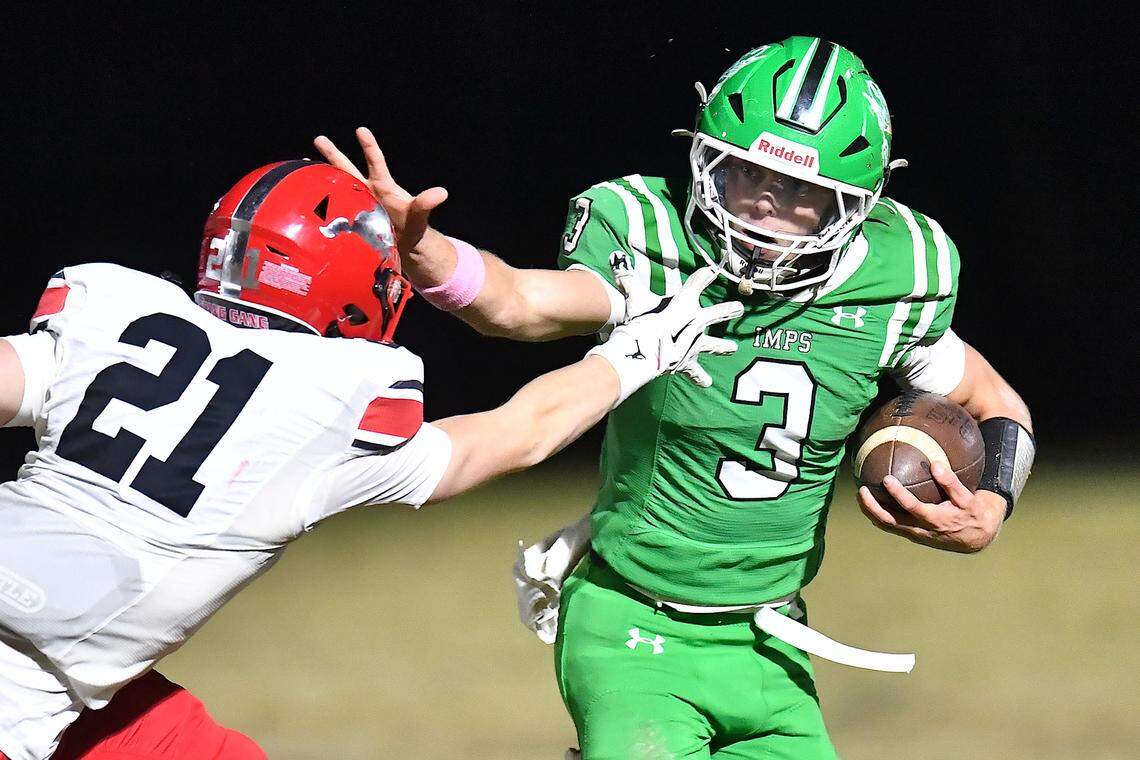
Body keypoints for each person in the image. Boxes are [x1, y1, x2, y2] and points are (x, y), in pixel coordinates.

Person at [316, 35, 1036, 759]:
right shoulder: (653, 238)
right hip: (633, 629)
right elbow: (518, 301)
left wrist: (993, 503)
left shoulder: (895, 277)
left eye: (799, 193)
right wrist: (427, 254)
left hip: (771, 641)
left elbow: (996, 401)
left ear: (855, 207)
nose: (762, 206)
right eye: (741, 174)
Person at [0, 159, 739, 760]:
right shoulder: (328, 407)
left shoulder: (114, 317)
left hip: (68, 672)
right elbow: (516, 434)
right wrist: (633, 357)